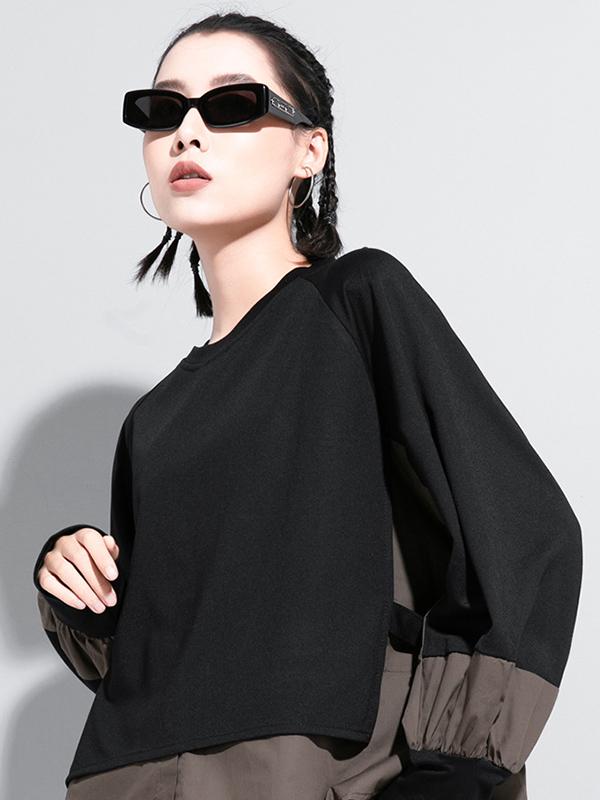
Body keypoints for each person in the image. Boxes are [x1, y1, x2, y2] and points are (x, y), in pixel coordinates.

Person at [32, 11, 583, 800]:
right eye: (164, 109)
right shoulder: (154, 420)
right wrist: (77, 590)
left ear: (309, 150)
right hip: (130, 777)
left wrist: (455, 772)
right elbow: (164, 654)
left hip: (310, 766)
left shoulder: (356, 303)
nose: (188, 132)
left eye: (232, 105)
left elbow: (525, 532)